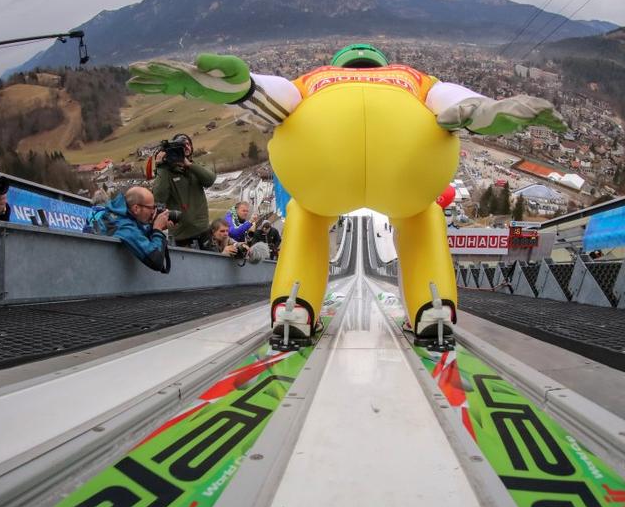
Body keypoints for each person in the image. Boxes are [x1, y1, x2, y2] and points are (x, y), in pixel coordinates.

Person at [129, 43, 564, 344]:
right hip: (407, 156)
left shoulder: (316, 78)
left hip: (322, 154)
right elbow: (453, 101)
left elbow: (276, 97)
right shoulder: (412, 77)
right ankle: (433, 305)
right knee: (422, 216)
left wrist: (244, 89)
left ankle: (296, 305)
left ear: (339, 63)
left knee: (306, 215)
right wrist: (483, 111)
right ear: (381, 64)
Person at [152, 134, 216, 249]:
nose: (186, 147)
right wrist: (161, 167)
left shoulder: (195, 167)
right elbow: (159, 197)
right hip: (181, 235)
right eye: (181, 145)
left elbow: (210, 180)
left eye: (188, 144)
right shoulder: (166, 173)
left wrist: (189, 165)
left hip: (203, 229)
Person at [87, 186, 172, 272]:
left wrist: (153, 228)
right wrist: (158, 229)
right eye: (151, 208)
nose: (153, 212)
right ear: (136, 208)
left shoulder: (119, 216)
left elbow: (139, 235)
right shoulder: (125, 227)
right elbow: (156, 260)